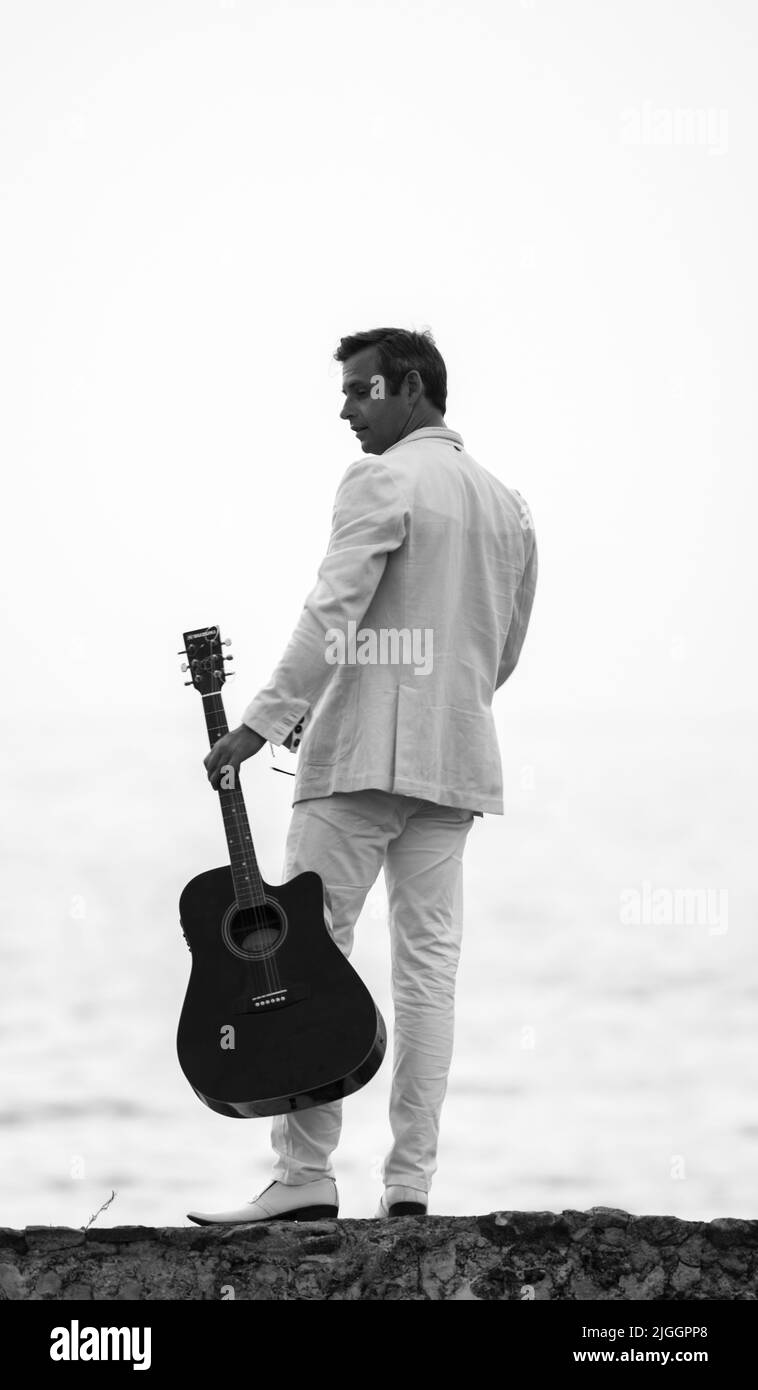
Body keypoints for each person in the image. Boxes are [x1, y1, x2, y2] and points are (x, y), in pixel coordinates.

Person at [187, 327, 537, 1224]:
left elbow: (332, 608)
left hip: (357, 767)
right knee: (429, 974)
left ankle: (305, 1176)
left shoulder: (381, 479)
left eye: (360, 390)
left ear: (409, 387)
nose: (345, 409)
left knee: (303, 955)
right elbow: (498, 654)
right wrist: (434, 705)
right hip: (454, 764)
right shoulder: (507, 506)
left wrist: (260, 720)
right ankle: (410, 1186)